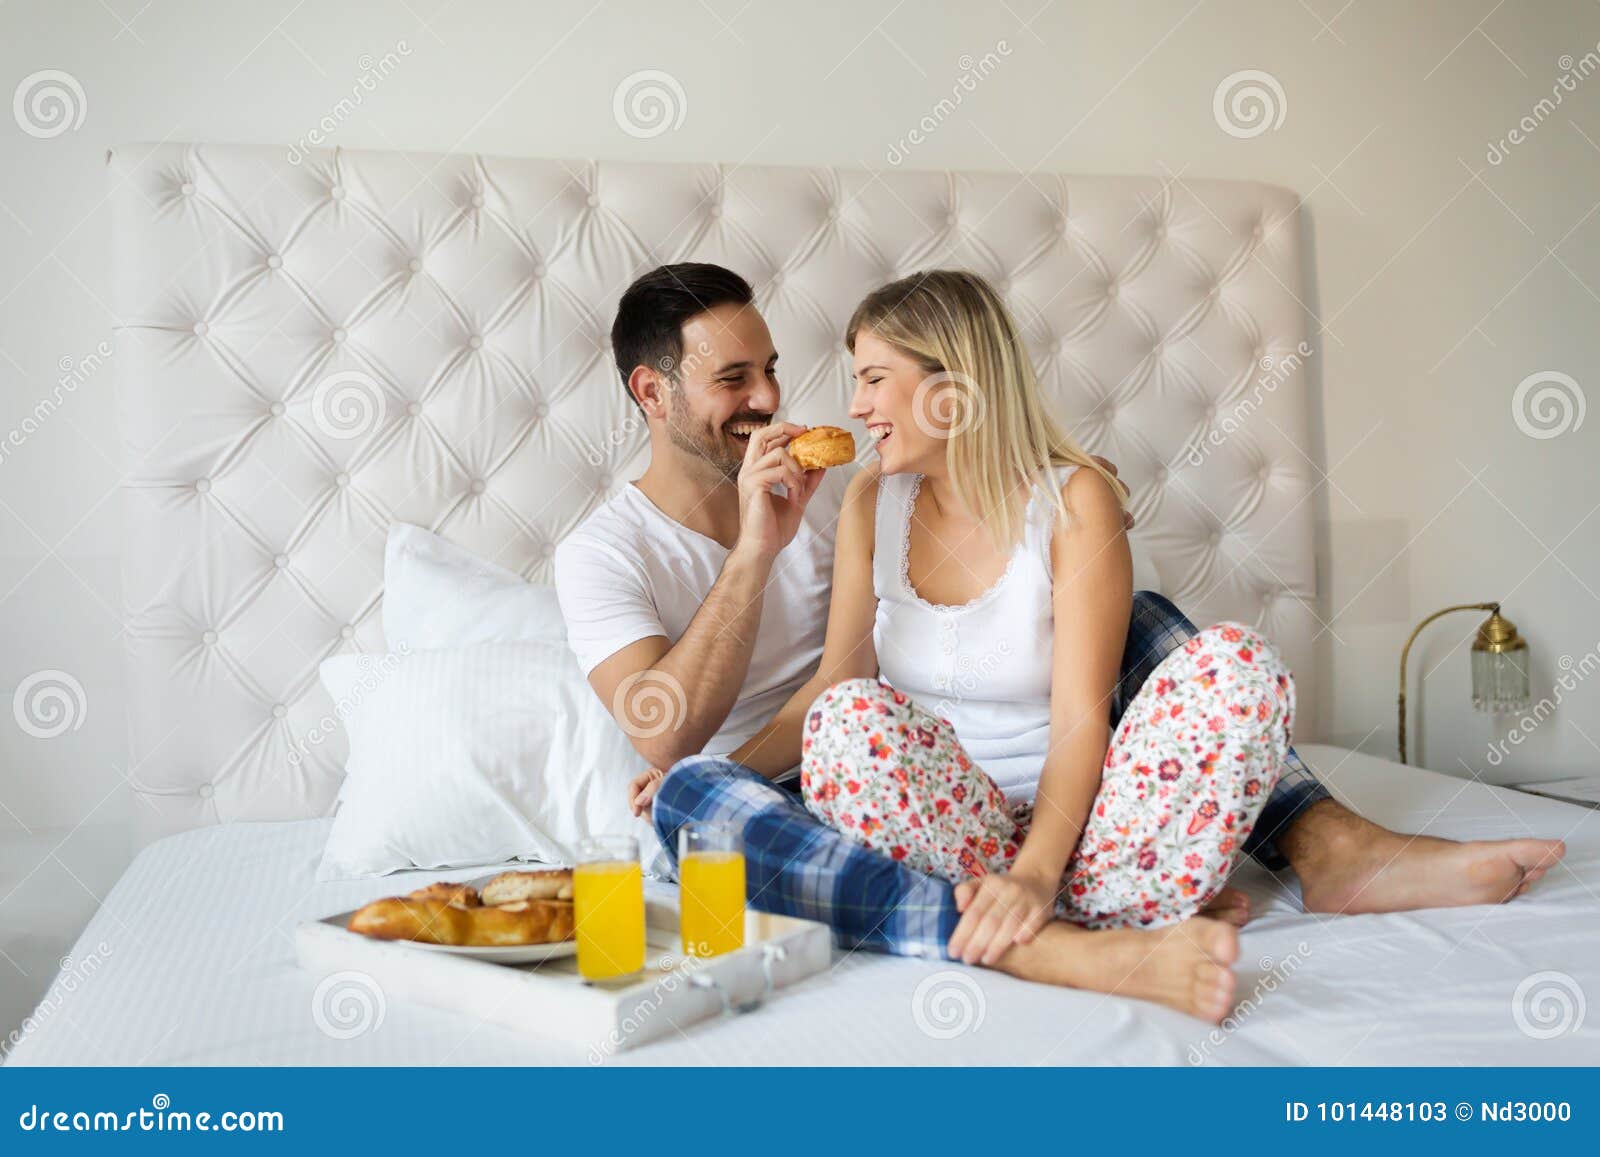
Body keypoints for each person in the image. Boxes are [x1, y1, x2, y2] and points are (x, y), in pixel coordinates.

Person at [555, 262, 1566, 1023]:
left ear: (953, 388)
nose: (798, 402)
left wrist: (1043, 864)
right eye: (739, 377)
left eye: (790, 371)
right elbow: (706, 718)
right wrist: (751, 568)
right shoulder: (646, 542)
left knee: (1181, 634)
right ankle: (1058, 944)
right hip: (857, 802)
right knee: (734, 773)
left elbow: (1083, 708)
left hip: (1061, 812)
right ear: (653, 392)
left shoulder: (915, 491)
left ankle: (1318, 844)